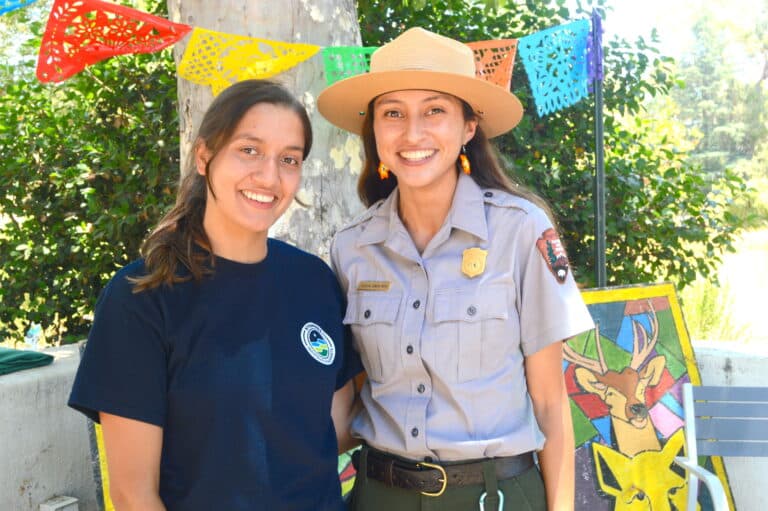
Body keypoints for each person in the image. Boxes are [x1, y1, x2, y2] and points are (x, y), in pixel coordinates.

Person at [317, 27, 594, 511]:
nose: (413, 133)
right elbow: (352, 395)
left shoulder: (520, 231)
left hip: (496, 496)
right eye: (393, 114)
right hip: (381, 497)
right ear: (375, 131)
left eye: (435, 111)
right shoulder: (351, 248)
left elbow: (551, 402)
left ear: (469, 127)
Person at [69, 79, 360, 511]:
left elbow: (332, 426)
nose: (269, 176)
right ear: (204, 156)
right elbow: (134, 495)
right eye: (249, 150)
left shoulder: (314, 281)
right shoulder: (143, 296)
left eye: (288, 159)